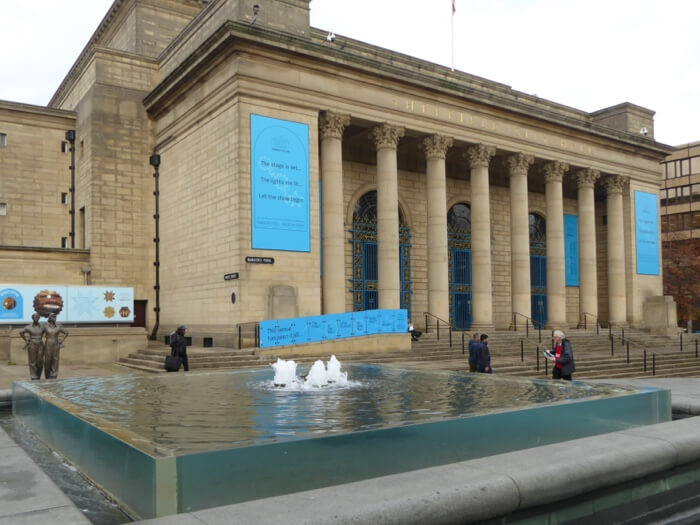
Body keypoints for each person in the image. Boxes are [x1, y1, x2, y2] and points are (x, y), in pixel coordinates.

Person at [19, 313, 46, 380]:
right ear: (33, 318)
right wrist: (26, 340)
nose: (37, 318)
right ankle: (34, 377)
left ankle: (38, 376)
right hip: (32, 344)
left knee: (40, 361)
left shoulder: (42, 326)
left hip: (40, 343)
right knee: (32, 361)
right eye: (35, 317)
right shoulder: (29, 327)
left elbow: (47, 332)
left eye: (38, 317)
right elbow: (21, 332)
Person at [44, 313, 68, 379]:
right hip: (48, 344)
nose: (54, 318)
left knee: (55, 359)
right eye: (52, 316)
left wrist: (61, 340)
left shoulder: (59, 326)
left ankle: (54, 375)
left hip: (56, 344)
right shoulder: (45, 326)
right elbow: (39, 333)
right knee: (47, 360)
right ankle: (47, 375)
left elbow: (66, 333)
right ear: (49, 318)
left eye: (55, 316)